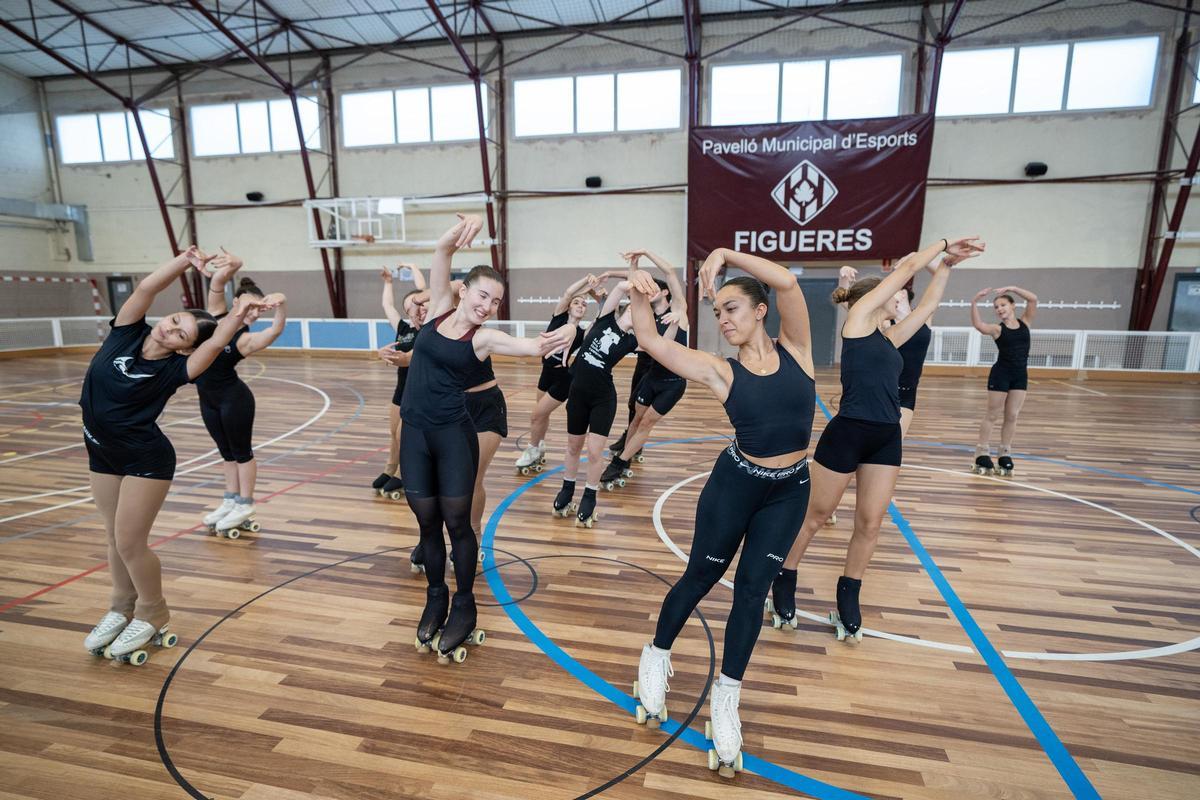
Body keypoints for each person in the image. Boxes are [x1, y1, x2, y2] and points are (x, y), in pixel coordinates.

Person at [624, 248, 815, 779]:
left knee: (753, 593)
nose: (724, 319)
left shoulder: (798, 349)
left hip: (789, 490)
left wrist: (728, 255)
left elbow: (788, 284)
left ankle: (727, 697)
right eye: (717, 313)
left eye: (732, 309)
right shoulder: (719, 371)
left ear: (760, 310)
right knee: (702, 576)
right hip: (736, 485)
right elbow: (650, 341)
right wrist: (641, 294)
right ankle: (656, 656)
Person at [769, 237, 984, 645]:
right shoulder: (857, 324)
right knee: (813, 517)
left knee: (869, 524)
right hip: (848, 432)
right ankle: (784, 577)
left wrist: (946, 266)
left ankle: (848, 594)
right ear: (874, 298)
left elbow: (927, 308)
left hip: (886, 438)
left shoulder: (890, 339)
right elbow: (903, 272)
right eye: (896, 292)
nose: (902, 294)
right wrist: (940, 244)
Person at [81, 247, 274, 664]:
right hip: (100, 451)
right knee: (113, 538)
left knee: (130, 541)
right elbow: (148, 287)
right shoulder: (126, 332)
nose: (169, 331)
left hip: (144, 460)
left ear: (187, 349)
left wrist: (241, 311)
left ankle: (152, 611)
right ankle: (120, 606)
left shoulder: (177, 370)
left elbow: (220, 338)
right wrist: (187, 259)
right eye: (173, 321)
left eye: (181, 334)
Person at [404, 214, 574, 663]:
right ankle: (435, 596)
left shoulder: (483, 339)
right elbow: (442, 253)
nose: (488, 305)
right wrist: (461, 231)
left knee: (457, 524)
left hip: (454, 436)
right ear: (464, 291)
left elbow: (536, 347)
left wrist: (571, 330)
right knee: (426, 525)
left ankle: (464, 603)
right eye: (483, 295)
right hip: (415, 435)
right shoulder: (439, 308)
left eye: (496, 301)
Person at [197, 258, 288, 537]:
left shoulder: (244, 339)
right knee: (226, 454)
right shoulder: (214, 317)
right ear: (237, 303)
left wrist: (281, 303)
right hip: (208, 399)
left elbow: (275, 330)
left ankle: (246, 503)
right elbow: (217, 283)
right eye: (252, 308)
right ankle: (230, 500)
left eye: (260, 311)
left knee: (241, 453)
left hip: (233, 400)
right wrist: (230, 266)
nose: (255, 315)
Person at [550, 272, 640, 527]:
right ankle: (567, 489)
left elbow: (662, 344)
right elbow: (622, 286)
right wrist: (635, 282)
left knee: (593, 451)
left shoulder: (633, 340)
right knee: (572, 446)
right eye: (635, 307)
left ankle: (590, 494)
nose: (637, 312)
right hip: (578, 394)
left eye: (641, 312)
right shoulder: (605, 318)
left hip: (602, 399)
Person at [599, 250, 689, 490]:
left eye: (655, 289)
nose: (650, 291)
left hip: (673, 382)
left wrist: (647, 253)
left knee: (647, 421)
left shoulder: (680, 310)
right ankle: (626, 456)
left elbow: (669, 272)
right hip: (652, 376)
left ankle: (619, 462)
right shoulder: (647, 318)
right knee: (636, 419)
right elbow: (633, 287)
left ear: (666, 293)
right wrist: (633, 265)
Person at [514, 273, 607, 475]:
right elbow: (568, 293)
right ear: (569, 306)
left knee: (536, 415)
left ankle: (532, 450)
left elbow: (602, 317)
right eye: (577, 302)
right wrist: (586, 280)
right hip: (545, 373)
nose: (580, 305)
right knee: (541, 415)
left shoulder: (582, 332)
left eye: (584, 304)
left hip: (563, 379)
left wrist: (599, 298)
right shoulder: (558, 318)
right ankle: (539, 446)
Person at [374, 264, 428, 499]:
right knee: (393, 433)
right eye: (409, 308)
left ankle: (407, 476)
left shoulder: (429, 330)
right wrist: (388, 282)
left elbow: (425, 288)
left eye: (420, 306)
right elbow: (387, 305)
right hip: (400, 389)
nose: (417, 311)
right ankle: (389, 469)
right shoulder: (403, 327)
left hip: (420, 392)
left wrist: (414, 267)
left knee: (403, 434)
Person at [971, 285, 1037, 477]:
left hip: (1020, 375)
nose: (1000, 309)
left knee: (1012, 416)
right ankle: (981, 451)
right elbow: (979, 326)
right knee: (992, 415)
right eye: (997, 307)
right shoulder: (997, 329)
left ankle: (1005, 453)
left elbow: (1033, 299)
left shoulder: (1025, 322)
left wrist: (1014, 288)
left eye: (1003, 305)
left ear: (1012, 306)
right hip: (1001, 374)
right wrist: (974, 302)